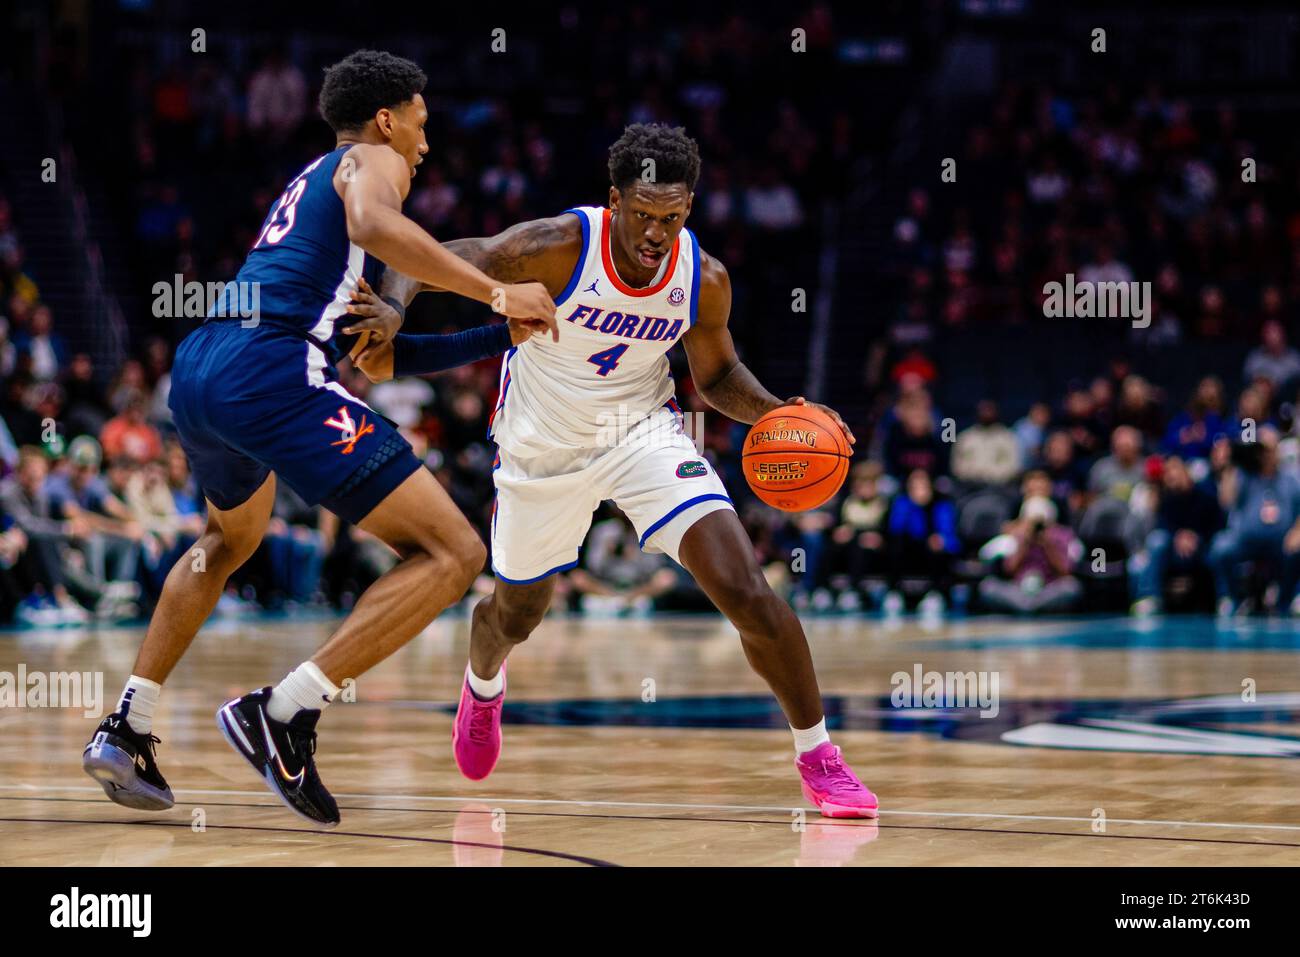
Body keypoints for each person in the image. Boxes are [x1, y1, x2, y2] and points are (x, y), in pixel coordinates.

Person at [82, 50, 556, 825]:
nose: (425, 143)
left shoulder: (311, 196)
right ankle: (286, 709)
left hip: (204, 367)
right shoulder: (370, 161)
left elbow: (386, 355)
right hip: (269, 367)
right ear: (386, 118)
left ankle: (128, 723)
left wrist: (502, 335)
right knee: (457, 553)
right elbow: (380, 224)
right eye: (421, 123)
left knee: (225, 542)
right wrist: (500, 286)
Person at [353, 123, 878, 818]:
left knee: (745, 586)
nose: (656, 233)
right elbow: (436, 256)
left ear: (688, 209)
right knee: (517, 611)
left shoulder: (704, 278)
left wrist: (778, 412)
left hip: (641, 430)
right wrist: (391, 304)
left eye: (672, 216)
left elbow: (716, 376)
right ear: (615, 200)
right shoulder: (560, 246)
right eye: (642, 214)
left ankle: (819, 756)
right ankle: (482, 687)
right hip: (542, 443)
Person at [1129, 456, 1223, 615]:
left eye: (1175, 469)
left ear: (1186, 471)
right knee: (1156, 541)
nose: (1171, 474)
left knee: (1221, 547)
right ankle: (1151, 598)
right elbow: (1160, 526)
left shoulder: (1206, 494)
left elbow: (1217, 525)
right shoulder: (1165, 499)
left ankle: (1223, 598)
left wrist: (1195, 537)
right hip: (1173, 551)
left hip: (1201, 549)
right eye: (1167, 472)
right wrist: (1177, 536)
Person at [978, 496, 1083, 614]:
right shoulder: (1017, 536)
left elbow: (1065, 571)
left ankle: (1028, 608)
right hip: (1019, 589)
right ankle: (1030, 607)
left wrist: (1048, 544)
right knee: (988, 586)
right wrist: (1025, 542)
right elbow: (1009, 569)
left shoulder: (1061, 536)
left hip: (1048, 588)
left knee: (1071, 587)